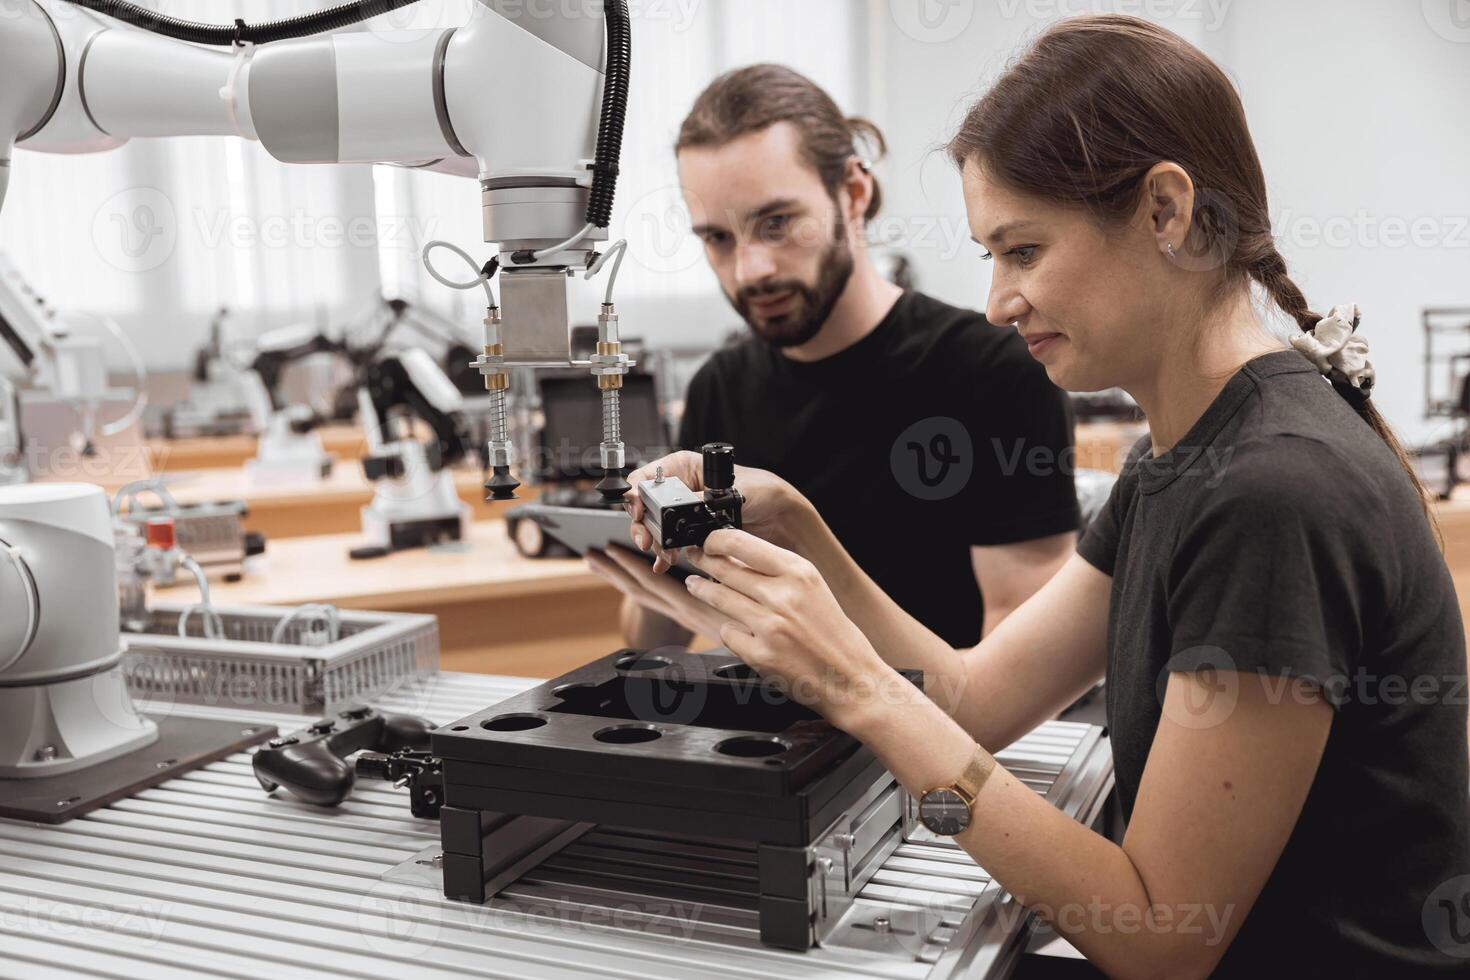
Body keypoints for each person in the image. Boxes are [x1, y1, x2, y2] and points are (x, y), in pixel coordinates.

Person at [623, 16, 1470, 978]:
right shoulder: (1179, 461)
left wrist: (853, 688)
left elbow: (1162, 940)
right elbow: (973, 699)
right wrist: (804, 532)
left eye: (1022, 251)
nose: (996, 301)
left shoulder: (1271, 491)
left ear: (1164, 212)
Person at [586, 65, 1081, 652]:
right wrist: (649, 570)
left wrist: (758, 635)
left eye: (776, 224)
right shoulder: (718, 387)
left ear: (852, 193)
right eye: (718, 238)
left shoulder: (995, 371)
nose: (751, 270)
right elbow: (657, 642)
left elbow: (1014, 671)